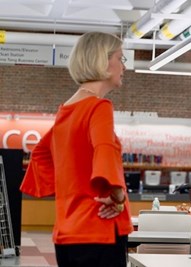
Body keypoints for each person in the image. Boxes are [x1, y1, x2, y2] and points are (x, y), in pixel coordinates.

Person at [20, 32, 133, 267]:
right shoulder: (98, 107)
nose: (124, 66)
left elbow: (41, 154)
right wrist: (118, 196)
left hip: (67, 230)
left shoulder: (67, 109)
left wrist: (69, 190)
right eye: (120, 58)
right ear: (103, 60)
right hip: (98, 229)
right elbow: (105, 149)